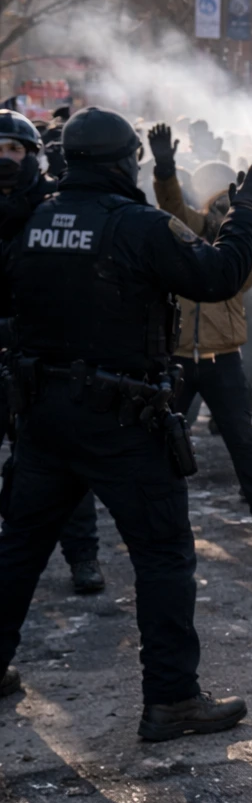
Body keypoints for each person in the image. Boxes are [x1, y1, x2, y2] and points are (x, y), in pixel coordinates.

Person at [0, 106, 252, 741]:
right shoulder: (137, 225)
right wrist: (247, 211)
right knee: (164, 557)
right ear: (126, 164)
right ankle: (172, 700)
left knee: (18, 550)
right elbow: (221, 274)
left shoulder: (32, 221)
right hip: (121, 421)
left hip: (43, 414)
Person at [148, 123, 252, 550]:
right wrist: (165, 170)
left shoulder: (246, 255)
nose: (221, 215)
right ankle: (153, 528)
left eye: (229, 209)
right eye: (218, 208)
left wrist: (245, 222)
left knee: (244, 445)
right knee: (156, 445)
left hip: (222, 361)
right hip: (180, 357)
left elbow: (244, 272)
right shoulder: (191, 230)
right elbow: (173, 207)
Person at [0, 109, 105, 595]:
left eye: (14, 149)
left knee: (60, 463)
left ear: (32, 154)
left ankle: (83, 556)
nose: (5, 159)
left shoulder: (52, 205)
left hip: (41, 355)